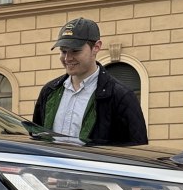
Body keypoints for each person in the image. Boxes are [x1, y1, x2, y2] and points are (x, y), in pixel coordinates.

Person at [32, 17, 148, 145]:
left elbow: (138, 150)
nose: (67, 58)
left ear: (96, 47)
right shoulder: (49, 92)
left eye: (75, 51)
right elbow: (37, 139)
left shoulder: (121, 96)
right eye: (63, 51)